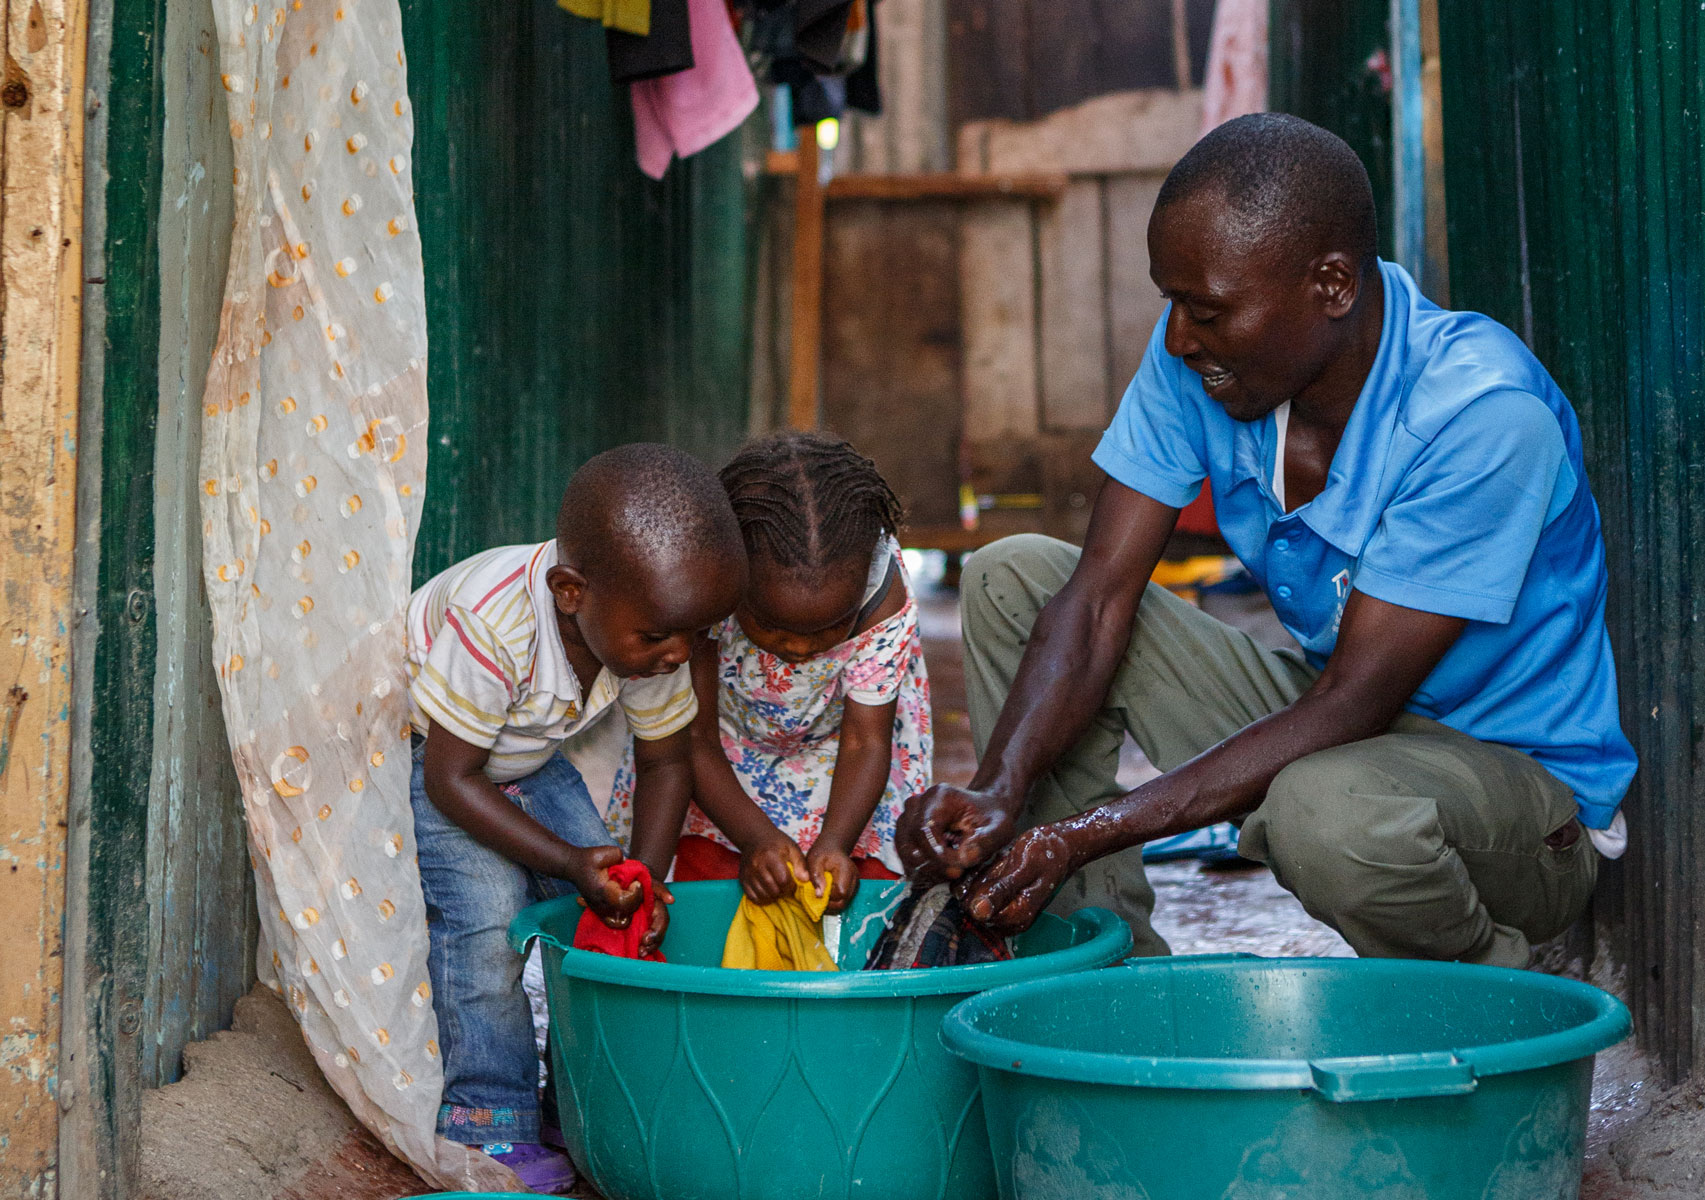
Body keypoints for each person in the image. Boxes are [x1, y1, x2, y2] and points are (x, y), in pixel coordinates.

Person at [897, 113, 1636, 968]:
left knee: (1326, 814)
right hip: (1348, 734)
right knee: (1010, 578)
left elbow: (1351, 703)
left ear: (1330, 285)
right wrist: (1000, 788)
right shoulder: (1211, 354)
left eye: (1205, 310)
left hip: (1518, 811)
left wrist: (1086, 829)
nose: (1178, 337)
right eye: (1172, 304)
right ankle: (1103, 977)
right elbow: (1097, 601)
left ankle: (1497, 1000)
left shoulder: (1481, 415)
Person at [405, 443, 744, 1193]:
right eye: (658, 638)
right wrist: (565, 860)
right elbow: (452, 779)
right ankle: (486, 1119)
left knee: (603, 904)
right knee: (489, 920)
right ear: (569, 591)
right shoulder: (495, 623)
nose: (675, 655)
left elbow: (666, 761)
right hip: (435, 756)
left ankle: (570, 1095)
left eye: (696, 635)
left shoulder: (653, 630)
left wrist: (643, 881)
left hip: (526, 749)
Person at [667, 431, 931, 916]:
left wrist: (836, 842)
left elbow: (865, 743)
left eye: (831, 625)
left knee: (867, 885)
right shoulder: (704, 582)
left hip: (843, 742)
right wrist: (755, 837)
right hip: (726, 739)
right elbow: (695, 737)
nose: (800, 648)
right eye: (770, 625)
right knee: (711, 891)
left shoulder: (881, 598)